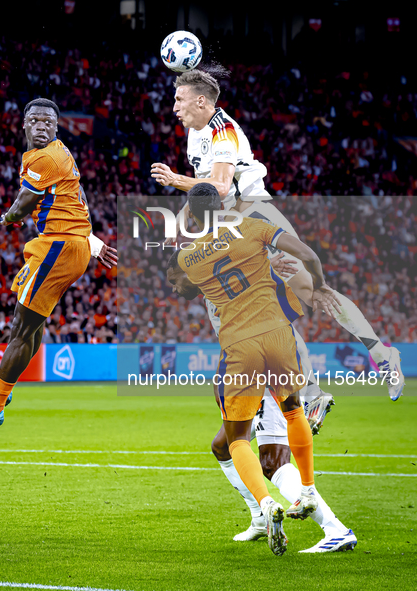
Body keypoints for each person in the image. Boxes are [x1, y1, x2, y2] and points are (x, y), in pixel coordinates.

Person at [151, 68, 404, 403]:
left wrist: (174, 179)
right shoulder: (195, 133)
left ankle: (383, 358)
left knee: (309, 291)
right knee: (251, 310)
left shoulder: (223, 132)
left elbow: (222, 186)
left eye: (179, 100)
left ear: (201, 101)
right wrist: (183, 218)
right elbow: (204, 188)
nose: (174, 108)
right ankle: (311, 394)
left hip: (254, 213)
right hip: (228, 229)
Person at [166, 185, 355, 556]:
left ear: (190, 215)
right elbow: (302, 259)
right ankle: (261, 512)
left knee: (264, 456)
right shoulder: (252, 229)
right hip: (276, 339)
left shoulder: (191, 257)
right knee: (223, 444)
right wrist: (316, 287)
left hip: (242, 350)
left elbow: (185, 286)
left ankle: (328, 526)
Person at [0, 98, 117, 428]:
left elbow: (24, 204)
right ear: (24, 124)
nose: (42, 126)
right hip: (65, 244)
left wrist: (8, 218)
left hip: (59, 246)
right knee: (29, 324)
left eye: (48, 122)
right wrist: (92, 243)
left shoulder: (47, 157)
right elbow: (77, 199)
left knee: (22, 326)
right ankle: (3, 387)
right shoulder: (60, 152)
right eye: (36, 120)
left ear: (56, 127)